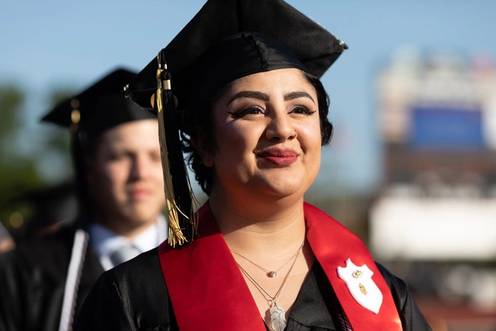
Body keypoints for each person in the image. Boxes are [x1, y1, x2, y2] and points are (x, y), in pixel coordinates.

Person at [76, 1, 431, 330]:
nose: (282, 129)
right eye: (251, 110)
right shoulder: (133, 296)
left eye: (300, 109)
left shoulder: (383, 295)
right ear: (203, 142)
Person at [0, 68, 167, 331]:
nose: (140, 174)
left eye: (155, 157)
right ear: (89, 168)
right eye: (121, 157)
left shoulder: (206, 260)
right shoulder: (24, 273)